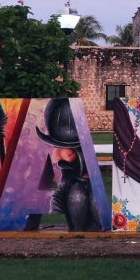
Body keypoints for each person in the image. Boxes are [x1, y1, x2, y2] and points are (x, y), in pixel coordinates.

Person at [36, 98, 101, 232]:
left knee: (92, 202)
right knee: (77, 197)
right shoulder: (59, 153)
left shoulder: (75, 152)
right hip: (72, 184)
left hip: (83, 182)